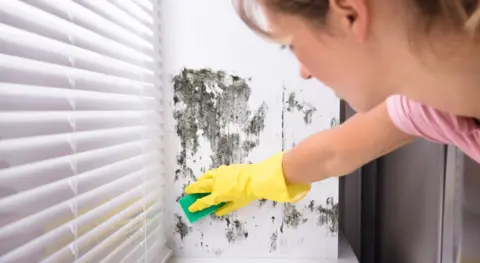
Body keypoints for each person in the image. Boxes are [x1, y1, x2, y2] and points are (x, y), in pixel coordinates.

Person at [185, 0, 480, 216]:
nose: (303, 71)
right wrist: (250, 181)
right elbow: (332, 154)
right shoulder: (431, 106)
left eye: (290, 44)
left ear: (349, 14)